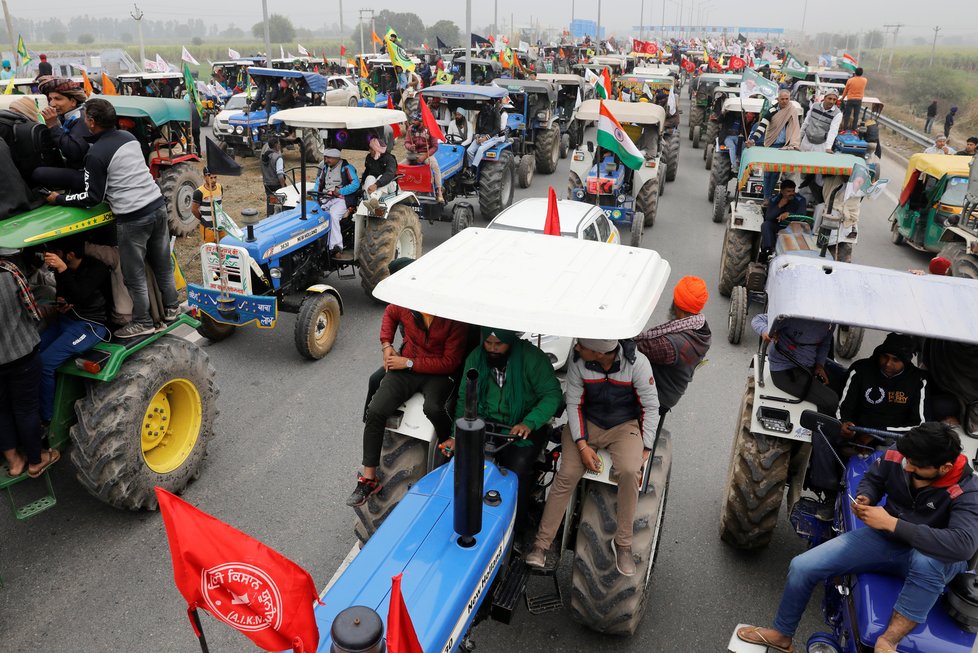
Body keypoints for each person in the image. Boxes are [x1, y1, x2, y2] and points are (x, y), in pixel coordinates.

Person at [736, 422, 978, 653]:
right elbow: (874, 478)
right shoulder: (903, 454)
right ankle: (782, 634)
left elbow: (963, 545)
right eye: (907, 460)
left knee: (927, 562)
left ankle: (888, 642)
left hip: (934, 558)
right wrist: (866, 496)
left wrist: (894, 524)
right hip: (888, 540)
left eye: (916, 466)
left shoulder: (969, 490)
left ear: (945, 468)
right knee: (802, 566)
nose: (907, 467)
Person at [526, 337, 659, 577]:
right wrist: (582, 445)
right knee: (567, 474)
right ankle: (541, 545)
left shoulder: (638, 364)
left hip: (622, 426)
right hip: (586, 423)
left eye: (582, 346)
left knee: (630, 471)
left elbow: (650, 406)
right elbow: (574, 404)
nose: (576, 348)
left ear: (599, 353)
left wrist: (646, 446)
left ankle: (623, 543)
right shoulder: (579, 363)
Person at [47, 98, 179, 339]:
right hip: (157, 206)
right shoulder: (129, 139)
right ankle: (172, 309)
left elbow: (92, 197)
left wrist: (59, 199)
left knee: (133, 273)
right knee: (162, 265)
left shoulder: (95, 155)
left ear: (91, 121)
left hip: (133, 217)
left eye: (85, 116)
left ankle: (142, 321)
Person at [347, 302, 467, 507]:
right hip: (407, 365)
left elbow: (450, 362)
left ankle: (449, 442)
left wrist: (409, 363)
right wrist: (386, 345)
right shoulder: (406, 304)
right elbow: (390, 313)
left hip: (438, 372)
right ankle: (369, 479)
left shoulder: (454, 317)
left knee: (433, 408)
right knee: (376, 411)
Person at [447, 328, 562, 531]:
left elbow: (552, 394)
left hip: (524, 424)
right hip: (486, 421)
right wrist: (456, 436)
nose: (492, 349)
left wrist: (529, 422)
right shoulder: (476, 358)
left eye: (498, 344)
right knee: (462, 465)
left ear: (510, 342)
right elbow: (465, 398)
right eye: (488, 343)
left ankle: (518, 527)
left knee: (517, 471)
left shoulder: (533, 359)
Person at [808, 334, 927, 509]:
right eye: (884, 357)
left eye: (895, 360)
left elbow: (919, 424)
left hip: (892, 438)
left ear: (907, 361)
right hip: (855, 430)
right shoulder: (860, 369)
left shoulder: (919, 380)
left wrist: (876, 432)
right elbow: (845, 406)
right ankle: (830, 493)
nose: (888, 363)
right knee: (821, 435)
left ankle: (898, 507)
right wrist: (845, 423)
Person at [36, 241, 111, 425]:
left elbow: (79, 295)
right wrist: (62, 302)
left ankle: (47, 418)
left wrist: (62, 269)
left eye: (55, 253)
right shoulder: (63, 268)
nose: (50, 256)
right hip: (67, 320)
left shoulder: (96, 268)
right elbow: (66, 293)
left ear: (69, 255)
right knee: (33, 353)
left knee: (46, 363)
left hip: (90, 326)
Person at [0, 248, 59, 478]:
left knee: (2, 412)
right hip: (22, 355)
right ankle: (36, 460)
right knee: (26, 409)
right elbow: (33, 312)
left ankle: (14, 463)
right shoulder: (10, 271)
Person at [634, 276, 712, 412]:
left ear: (676, 304)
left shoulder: (670, 345)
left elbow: (633, 347)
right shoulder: (701, 327)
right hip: (673, 391)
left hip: (659, 395)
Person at [752, 313, 838, 416]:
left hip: (809, 366)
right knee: (831, 401)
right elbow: (758, 319)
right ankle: (815, 429)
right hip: (785, 369)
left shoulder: (830, 322)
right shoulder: (793, 315)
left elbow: (825, 343)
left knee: (838, 384)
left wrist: (820, 365)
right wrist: (765, 331)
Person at [34, 76, 92, 192]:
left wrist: (53, 126)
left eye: (58, 99)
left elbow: (74, 151)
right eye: (50, 99)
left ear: (73, 101)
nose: (52, 103)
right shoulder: (66, 116)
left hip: (86, 175)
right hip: (73, 167)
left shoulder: (81, 118)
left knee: (38, 173)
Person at [745, 89, 801, 202]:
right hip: (771, 145)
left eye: (787, 99)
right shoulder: (772, 110)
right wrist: (753, 140)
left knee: (776, 173)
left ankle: (770, 197)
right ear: (778, 99)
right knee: (767, 172)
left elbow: (795, 128)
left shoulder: (792, 110)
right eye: (782, 99)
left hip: (784, 146)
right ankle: (766, 197)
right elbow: (762, 126)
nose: (785, 101)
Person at [316, 148, 360, 257]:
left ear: (337, 158)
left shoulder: (346, 168)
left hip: (341, 199)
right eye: (325, 158)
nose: (326, 160)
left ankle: (336, 247)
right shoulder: (325, 168)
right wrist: (315, 195)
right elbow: (318, 183)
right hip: (326, 198)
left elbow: (356, 184)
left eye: (329, 158)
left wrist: (340, 191)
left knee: (333, 215)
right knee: (315, 214)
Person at [759, 179, 808, 259]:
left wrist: (789, 215)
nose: (791, 193)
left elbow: (802, 216)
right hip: (778, 226)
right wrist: (779, 206)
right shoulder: (774, 199)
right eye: (788, 191)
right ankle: (769, 251)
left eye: (793, 191)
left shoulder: (801, 200)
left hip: (794, 228)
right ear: (782, 191)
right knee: (765, 225)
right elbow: (768, 217)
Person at [404, 112, 444, 203]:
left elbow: (435, 146)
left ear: (421, 121)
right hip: (413, 154)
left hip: (426, 153)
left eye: (415, 120)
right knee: (400, 166)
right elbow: (406, 142)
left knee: (435, 167)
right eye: (412, 120)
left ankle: (439, 191)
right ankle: (400, 188)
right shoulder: (410, 129)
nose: (413, 122)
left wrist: (424, 156)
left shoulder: (429, 129)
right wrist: (410, 147)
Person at [361, 133, 398, 211]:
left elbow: (389, 174)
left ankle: (373, 200)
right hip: (374, 187)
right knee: (369, 177)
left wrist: (376, 185)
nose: (369, 150)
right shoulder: (369, 158)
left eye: (371, 149)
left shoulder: (390, 159)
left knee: (382, 177)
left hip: (389, 185)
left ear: (376, 149)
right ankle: (372, 201)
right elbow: (367, 171)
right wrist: (361, 184)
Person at [190, 168, 225, 243]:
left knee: (223, 245)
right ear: (204, 177)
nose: (213, 180)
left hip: (220, 224)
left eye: (215, 177)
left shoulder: (220, 187)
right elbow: (194, 210)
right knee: (210, 250)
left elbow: (220, 203)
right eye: (210, 177)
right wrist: (203, 219)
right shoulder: (199, 192)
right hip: (208, 227)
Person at [260, 137, 287, 216]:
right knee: (279, 204)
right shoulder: (277, 157)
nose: (280, 145)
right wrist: (283, 187)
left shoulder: (264, 156)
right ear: (275, 145)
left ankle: (269, 217)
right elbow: (280, 174)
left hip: (267, 184)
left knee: (270, 202)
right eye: (279, 144)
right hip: (276, 184)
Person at [839, 67, 867, 131]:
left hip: (850, 99)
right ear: (862, 73)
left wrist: (842, 98)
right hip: (859, 100)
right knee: (856, 115)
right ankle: (854, 129)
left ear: (855, 73)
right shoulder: (865, 80)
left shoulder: (850, 80)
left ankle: (844, 128)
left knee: (847, 115)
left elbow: (845, 91)